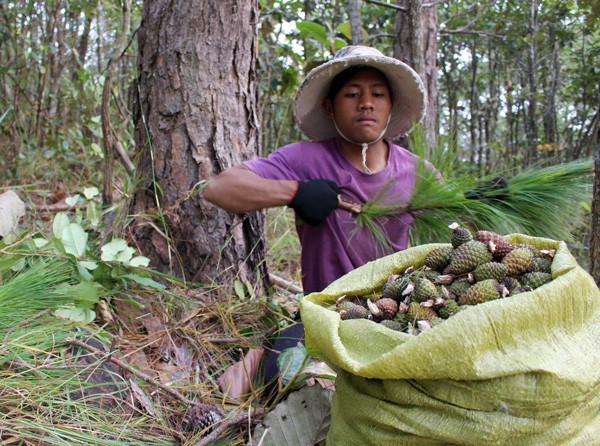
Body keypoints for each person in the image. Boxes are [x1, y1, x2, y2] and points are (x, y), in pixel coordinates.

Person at [203, 45, 427, 391]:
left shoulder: (415, 172)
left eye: (378, 94)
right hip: (324, 315)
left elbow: (460, 222)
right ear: (329, 106)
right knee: (298, 382)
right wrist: (295, 193)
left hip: (394, 313)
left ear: (390, 106)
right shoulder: (306, 159)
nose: (366, 103)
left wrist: (485, 199)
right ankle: (261, 357)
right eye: (352, 94)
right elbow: (220, 188)